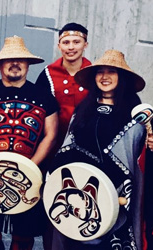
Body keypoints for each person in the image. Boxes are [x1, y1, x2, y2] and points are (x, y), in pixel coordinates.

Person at [0, 36, 59, 250]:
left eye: (20, 60)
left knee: (25, 231)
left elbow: (51, 135)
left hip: (31, 172)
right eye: (9, 59)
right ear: (0, 64)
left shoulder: (44, 97)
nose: (14, 64)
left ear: (28, 64)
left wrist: (31, 167)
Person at [48, 50, 146, 250]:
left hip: (118, 191)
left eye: (112, 72)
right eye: (100, 72)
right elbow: (69, 146)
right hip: (79, 188)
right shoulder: (84, 107)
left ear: (122, 78)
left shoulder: (136, 112)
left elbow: (137, 153)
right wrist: (55, 176)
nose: (105, 77)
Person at [35, 22, 91, 151]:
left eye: (76, 42)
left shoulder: (93, 73)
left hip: (86, 142)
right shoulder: (48, 74)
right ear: (59, 46)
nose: (71, 47)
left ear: (85, 45)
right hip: (53, 142)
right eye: (66, 43)